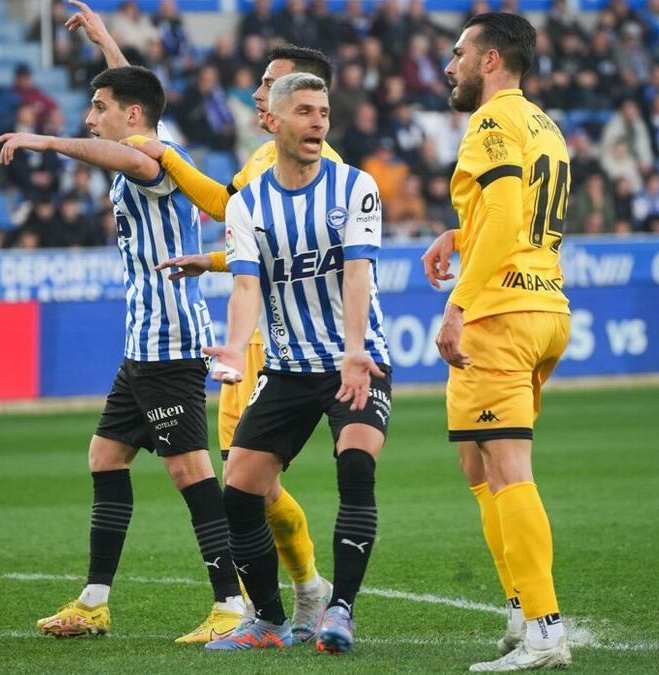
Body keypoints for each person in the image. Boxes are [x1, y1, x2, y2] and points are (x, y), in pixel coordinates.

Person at [67, 1, 335, 641]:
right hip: (204, 340)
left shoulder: (294, 161)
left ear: (302, 91)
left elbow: (224, 208)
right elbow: (137, 107)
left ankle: (258, 600)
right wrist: (109, 42)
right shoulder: (264, 154)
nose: (256, 90)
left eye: (270, 83)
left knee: (234, 476)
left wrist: (45, 141)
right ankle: (297, 590)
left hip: (282, 344)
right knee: (229, 475)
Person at [0, 66, 244, 644]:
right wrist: (105, 42)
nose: (89, 117)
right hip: (142, 346)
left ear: (131, 117)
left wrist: (46, 141)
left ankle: (232, 602)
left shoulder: (152, 159)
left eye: (98, 106)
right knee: (106, 457)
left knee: (189, 471)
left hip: (169, 344)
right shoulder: (155, 128)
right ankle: (95, 602)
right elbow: (139, 93)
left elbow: (137, 161)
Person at [200, 73, 392, 655]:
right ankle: (269, 621)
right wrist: (235, 345)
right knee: (239, 489)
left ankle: (341, 611)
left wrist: (355, 350)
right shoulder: (247, 207)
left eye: (324, 112)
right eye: (305, 111)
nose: (318, 123)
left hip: (356, 361)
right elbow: (245, 287)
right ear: (271, 122)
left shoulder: (355, 187)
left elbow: (358, 274)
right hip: (286, 368)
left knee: (355, 464)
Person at [422, 12, 572, 671]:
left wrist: (458, 304)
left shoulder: (487, 121)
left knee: (507, 469)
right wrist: (457, 235)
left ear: (489, 61)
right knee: (479, 465)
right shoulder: (543, 123)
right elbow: (514, 213)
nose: (449, 65)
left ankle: (544, 629)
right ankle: (521, 605)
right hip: (545, 305)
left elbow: (510, 214)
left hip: (502, 313)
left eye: (459, 54)